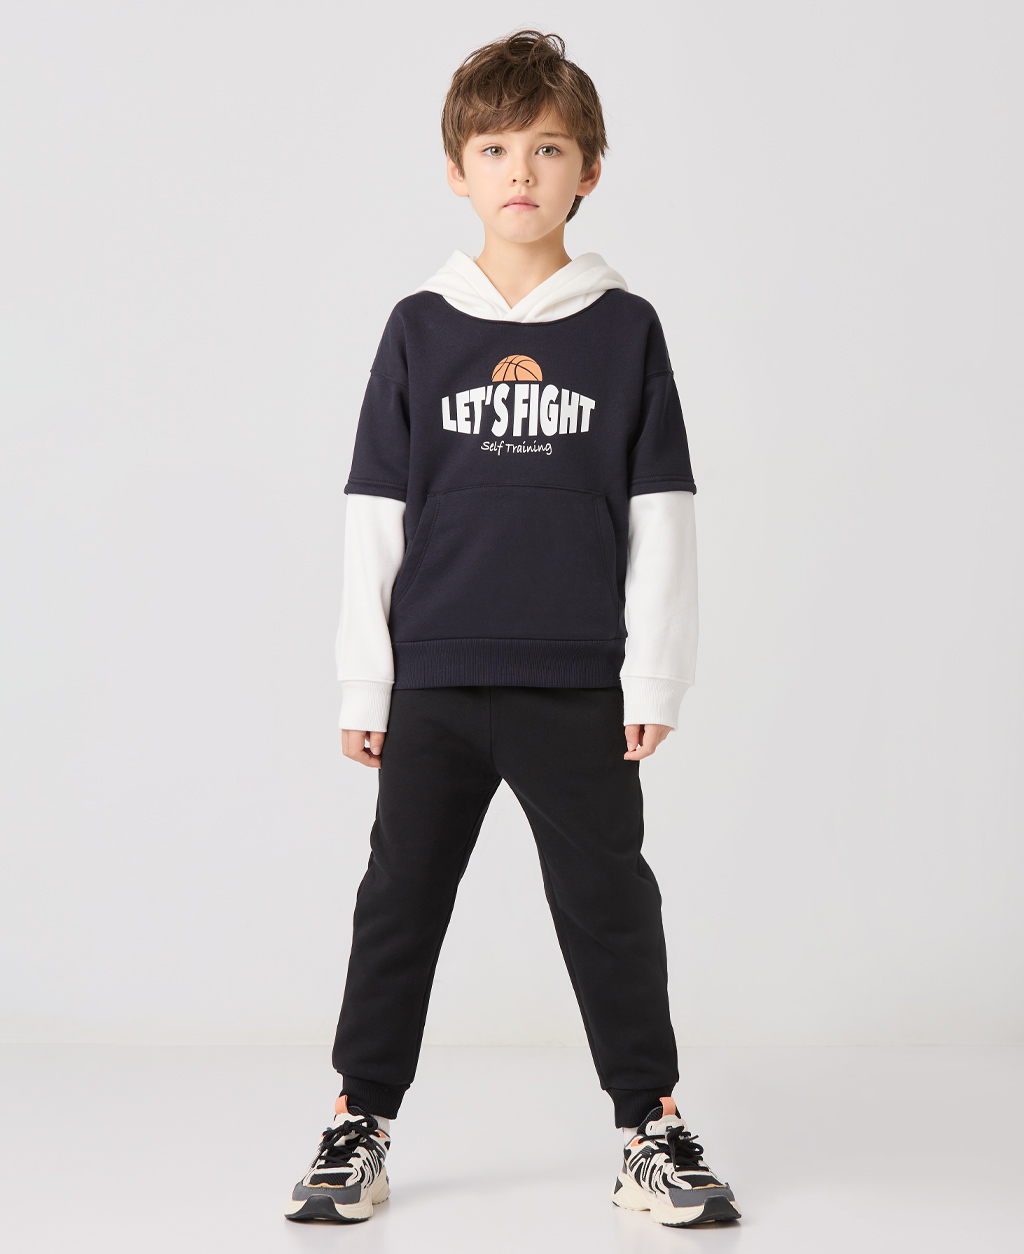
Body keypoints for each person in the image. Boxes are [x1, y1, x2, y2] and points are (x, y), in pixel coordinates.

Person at [284, 28, 740, 1230]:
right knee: (399, 904)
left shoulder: (624, 330)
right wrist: (363, 685)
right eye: (494, 149)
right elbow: (374, 512)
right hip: (433, 679)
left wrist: (655, 676)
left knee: (610, 905)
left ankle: (650, 1128)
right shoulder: (418, 328)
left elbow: (661, 512)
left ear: (588, 169)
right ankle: (356, 1122)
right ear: (457, 171)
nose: (520, 171)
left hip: (577, 682)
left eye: (546, 148)